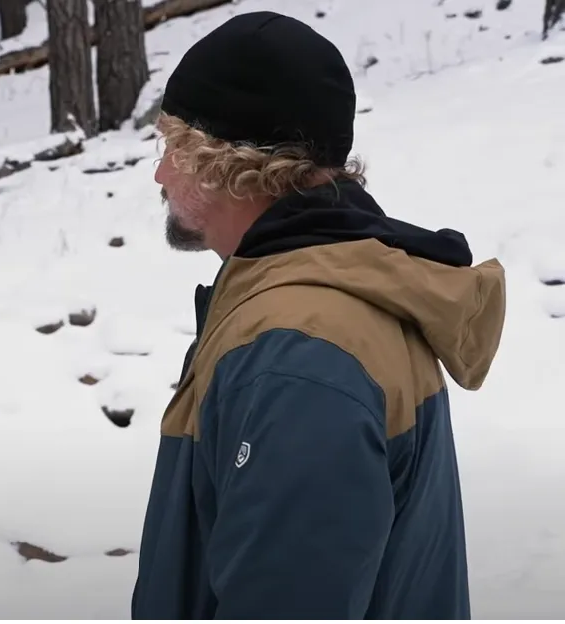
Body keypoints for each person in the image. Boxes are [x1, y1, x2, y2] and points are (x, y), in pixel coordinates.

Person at [132, 11, 506, 620]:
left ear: (232, 163)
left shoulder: (297, 359)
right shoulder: (322, 298)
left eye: (175, 147)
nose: (161, 172)